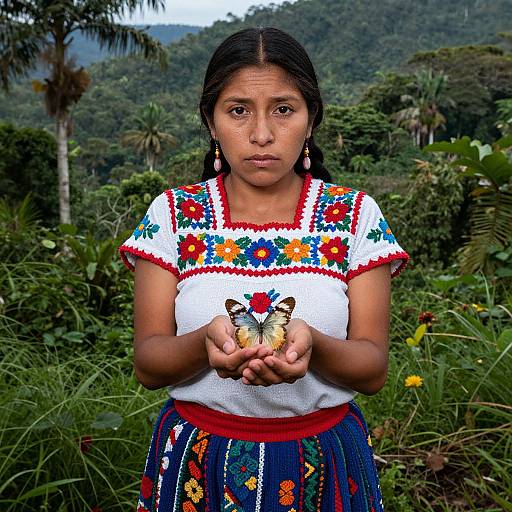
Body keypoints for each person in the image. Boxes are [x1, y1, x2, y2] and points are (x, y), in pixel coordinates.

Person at [119, 26, 409, 512]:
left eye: (283, 109)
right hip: (197, 463)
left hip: (325, 462)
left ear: (310, 118)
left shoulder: (355, 217)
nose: (261, 134)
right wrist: (204, 343)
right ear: (211, 122)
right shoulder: (172, 215)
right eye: (238, 110)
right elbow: (149, 363)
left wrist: (313, 345)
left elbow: (372, 369)